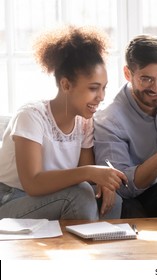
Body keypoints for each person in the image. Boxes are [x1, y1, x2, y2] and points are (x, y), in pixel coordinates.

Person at [0, 25, 127, 220]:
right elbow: (32, 183)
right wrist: (90, 173)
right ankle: (84, 249)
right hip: (12, 199)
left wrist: (103, 183)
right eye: (93, 88)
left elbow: (86, 179)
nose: (101, 97)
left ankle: (106, 249)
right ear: (66, 84)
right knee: (77, 197)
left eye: (104, 88)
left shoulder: (84, 122)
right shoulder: (31, 116)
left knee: (112, 200)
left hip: (53, 197)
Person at [93, 35, 157, 218]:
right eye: (146, 79)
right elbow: (121, 187)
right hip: (133, 200)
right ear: (127, 74)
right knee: (128, 207)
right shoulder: (109, 120)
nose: (156, 88)